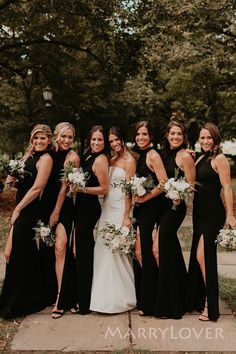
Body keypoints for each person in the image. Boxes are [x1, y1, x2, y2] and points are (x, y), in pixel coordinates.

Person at [0, 124, 53, 319]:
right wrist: (13, 181)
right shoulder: (29, 156)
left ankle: (16, 303)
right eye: (35, 138)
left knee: (17, 254)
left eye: (42, 138)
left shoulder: (46, 159)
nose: (38, 141)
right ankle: (25, 297)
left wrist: (18, 209)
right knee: (23, 254)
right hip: (22, 205)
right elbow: (21, 183)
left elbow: (38, 188)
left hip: (29, 210)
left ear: (49, 140)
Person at [186, 122, 236, 321]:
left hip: (213, 215)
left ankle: (210, 303)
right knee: (199, 257)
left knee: (203, 256)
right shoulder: (200, 158)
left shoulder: (220, 159)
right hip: (199, 214)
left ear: (216, 139)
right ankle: (198, 300)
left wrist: (231, 215)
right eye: (202, 137)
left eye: (209, 138)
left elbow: (227, 187)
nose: (205, 141)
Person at [90, 126, 137, 313]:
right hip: (107, 209)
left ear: (123, 139)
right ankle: (102, 299)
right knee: (102, 251)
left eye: (117, 139)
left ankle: (123, 298)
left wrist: (126, 216)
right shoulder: (111, 159)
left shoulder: (129, 161)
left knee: (119, 253)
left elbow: (129, 191)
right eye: (111, 141)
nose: (115, 143)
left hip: (120, 211)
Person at [153, 120, 196, 319]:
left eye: (179, 134)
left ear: (183, 136)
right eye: (172, 134)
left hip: (175, 208)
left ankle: (170, 305)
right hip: (161, 207)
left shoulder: (185, 156)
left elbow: (191, 186)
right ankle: (183, 295)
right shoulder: (162, 154)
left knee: (164, 248)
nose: (176, 137)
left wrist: (180, 195)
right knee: (170, 250)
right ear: (167, 135)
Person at [41, 122, 80, 319]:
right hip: (44, 207)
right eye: (63, 136)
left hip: (62, 208)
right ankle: (54, 292)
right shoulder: (46, 153)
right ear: (56, 136)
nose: (66, 140)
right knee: (49, 250)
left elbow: (64, 188)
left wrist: (56, 211)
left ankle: (61, 298)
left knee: (60, 247)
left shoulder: (72, 157)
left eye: (70, 137)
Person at [73, 125, 109, 315]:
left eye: (100, 140)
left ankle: (85, 303)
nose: (96, 143)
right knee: (80, 251)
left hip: (89, 209)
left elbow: (104, 189)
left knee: (84, 253)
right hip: (80, 207)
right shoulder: (88, 155)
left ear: (104, 143)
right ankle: (82, 296)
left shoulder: (101, 160)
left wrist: (82, 189)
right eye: (93, 139)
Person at [133, 121, 167, 316]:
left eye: (144, 134)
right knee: (140, 252)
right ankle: (147, 298)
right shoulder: (140, 155)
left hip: (152, 208)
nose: (141, 138)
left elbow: (163, 183)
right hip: (141, 209)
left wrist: (145, 197)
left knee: (144, 252)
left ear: (151, 136)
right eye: (138, 134)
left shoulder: (153, 154)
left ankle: (152, 300)